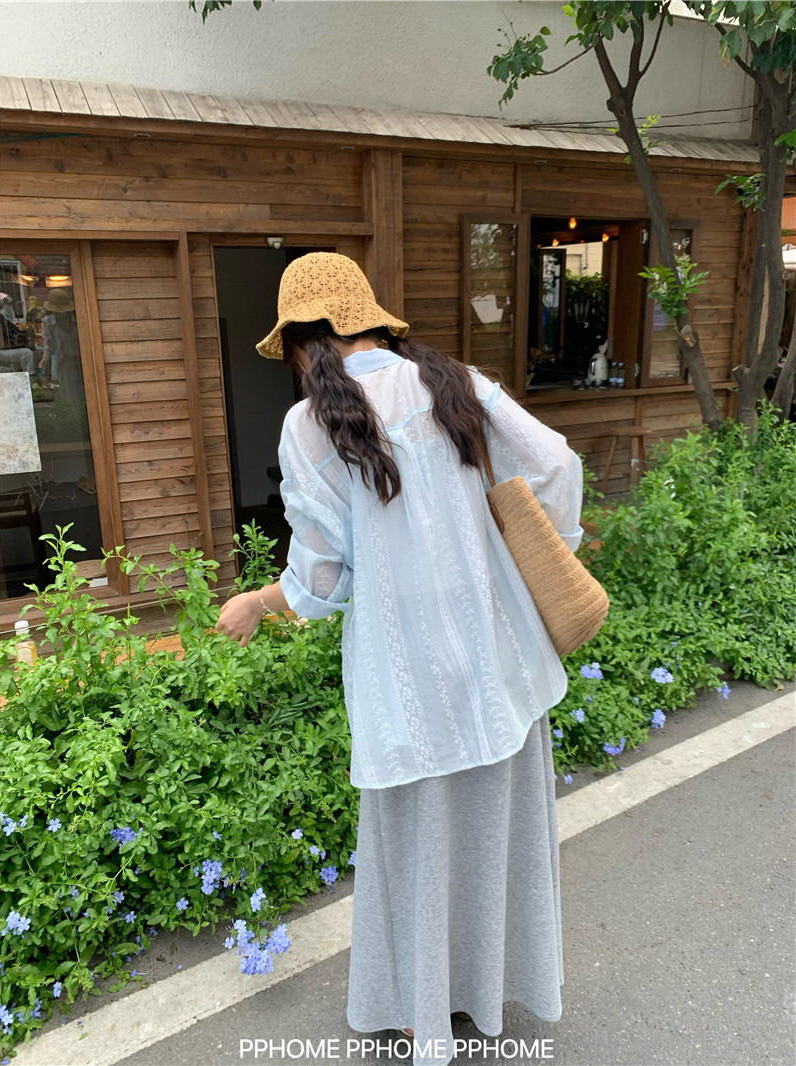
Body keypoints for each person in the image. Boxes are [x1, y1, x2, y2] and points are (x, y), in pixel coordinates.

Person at [214, 252, 584, 1066]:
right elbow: (557, 464)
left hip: (405, 680)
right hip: (497, 663)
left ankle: (425, 1017)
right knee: (494, 834)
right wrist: (541, 551)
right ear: (371, 320)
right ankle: (489, 990)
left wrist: (259, 602)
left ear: (304, 340)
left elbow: (321, 579)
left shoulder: (308, 426)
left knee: (418, 849)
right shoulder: (456, 384)